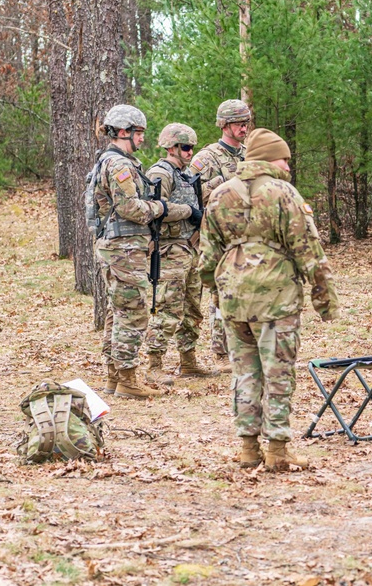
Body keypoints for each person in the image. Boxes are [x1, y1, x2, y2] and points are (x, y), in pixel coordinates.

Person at [200, 128, 339, 472]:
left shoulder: (219, 194)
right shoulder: (283, 193)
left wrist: (219, 295)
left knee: (244, 373)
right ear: (267, 159)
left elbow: (205, 259)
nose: (288, 165)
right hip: (276, 298)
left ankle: (248, 448)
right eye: (283, 159)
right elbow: (308, 250)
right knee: (277, 373)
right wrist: (325, 299)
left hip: (234, 300)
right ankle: (277, 448)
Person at [90, 105, 195, 399]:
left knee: (119, 311)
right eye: (139, 133)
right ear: (124, 132)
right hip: (123, 248)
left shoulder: (113, 162)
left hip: (120, 247)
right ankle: (127, 379)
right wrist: (160, 207)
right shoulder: (119, 166)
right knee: (133, 313)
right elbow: (129, 208)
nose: (142, 140)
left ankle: (115, 377)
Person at [143, 123, 218, 380]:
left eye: (192, 148)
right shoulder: (160, 173)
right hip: (168, 250)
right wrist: (188, 212)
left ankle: (188, 361)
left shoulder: (185, 175)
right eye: (185, 148)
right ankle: (154, 365)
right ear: (172, 147)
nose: (190, 153)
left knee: (192, 309)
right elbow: (154, 208)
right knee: (167, 309)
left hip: (189, 248)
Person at [190, 98, 252, 361]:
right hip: (218, 235)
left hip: (248, 234)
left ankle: (244, 345)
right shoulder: (206, 157)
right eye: (239, 123)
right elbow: (191, 196)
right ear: (225, 125)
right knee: (220, 294)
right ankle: (221, 351)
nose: (244, 128)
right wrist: (222, 181)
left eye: (246, 122)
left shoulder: (250, 153)